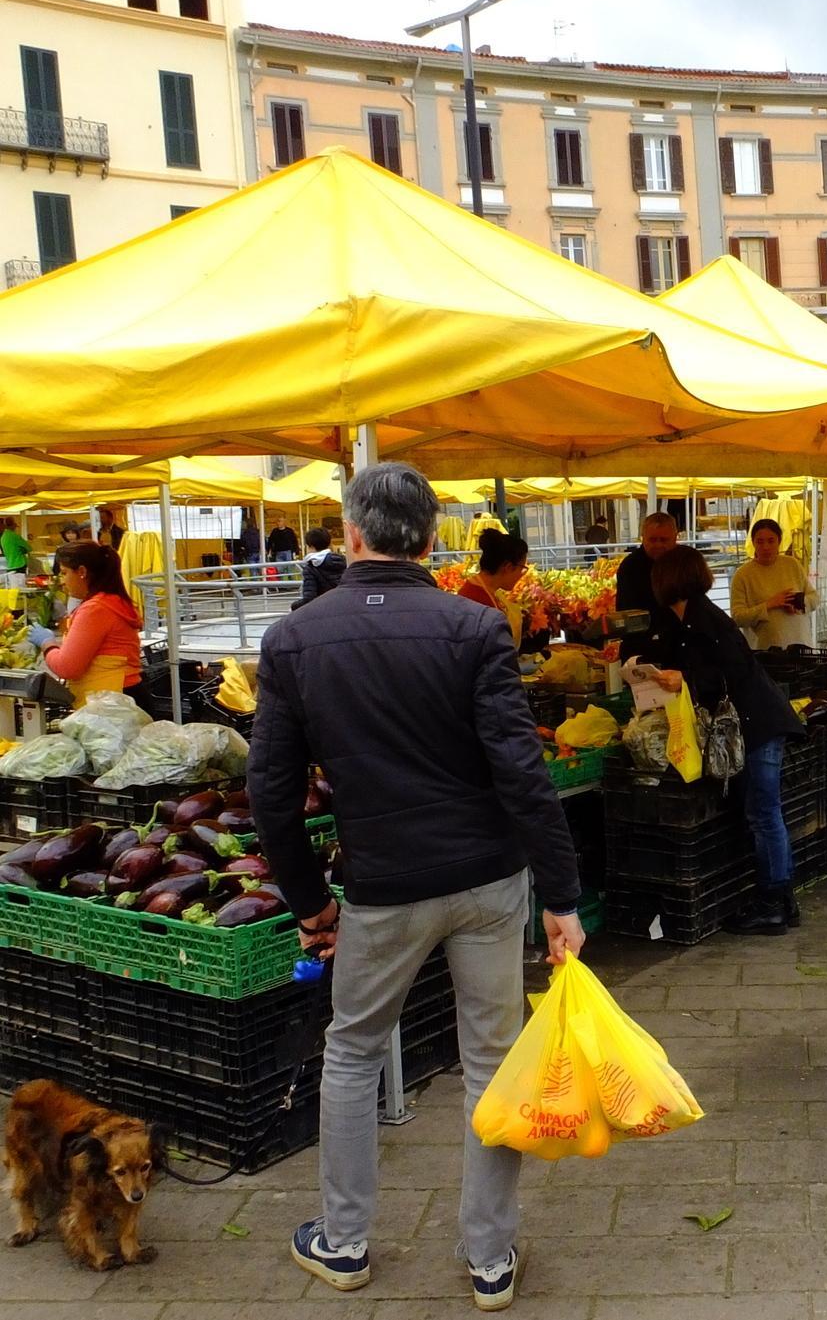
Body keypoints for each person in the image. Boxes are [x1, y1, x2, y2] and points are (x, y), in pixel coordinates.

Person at [247, 462, 583, 1307]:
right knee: (492, 1061)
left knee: (355, 1052)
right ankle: (490, 1256)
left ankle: (346, 1240)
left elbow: (269, 793)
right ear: (432, 540)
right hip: (486, 877)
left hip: (382, 882)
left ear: (351, 534)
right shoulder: (473, 629)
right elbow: (522, 771)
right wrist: (562, 894)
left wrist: (307, 901)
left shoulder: (293, 640)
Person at [647, 544, 805, 935]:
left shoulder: (705, 618)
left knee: (764, 814)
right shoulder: (685, 619)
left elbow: (733, 671)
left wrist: (684, 679)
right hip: (750, 723)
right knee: (762, 813)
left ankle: (773, 903)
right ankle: (783, 902)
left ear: (670, 579)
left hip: (759, 723)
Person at [28, 542, 148, 711]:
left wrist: (47, 643)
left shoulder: (96, 609)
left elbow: (67, 667)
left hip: (110, 703)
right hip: (124, 696)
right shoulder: (114, 601)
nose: (63, 582)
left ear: (82, 572)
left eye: (65, 573)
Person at [729, 518, 818, 649]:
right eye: (760, 541)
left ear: (779, 541)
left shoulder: (792, 564)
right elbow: (738, 617)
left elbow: (814, 598)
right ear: (753, 542)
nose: (766, 547)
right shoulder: (742, 575)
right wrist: (769, 604)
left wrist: (799, 604)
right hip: (764, 651)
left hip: (800, 645)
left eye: (771, 541)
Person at [614, 512, 678, 659]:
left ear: (675, 538)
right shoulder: (630, 567)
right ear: (643, 538)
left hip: (680, 642)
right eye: (652, 540)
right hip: (642, 645)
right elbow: (627, 612)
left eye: (664, 540)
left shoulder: (684, 562)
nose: (658, 545)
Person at [460, 529, 528, 646]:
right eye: (522, 568)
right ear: (508, 567)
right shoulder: (478, 599)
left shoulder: (483, 589)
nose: (523, 573)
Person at [296, 528, 345, 606]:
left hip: (322, 608)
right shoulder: (341, 561)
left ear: (311, 546)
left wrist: (293, 607)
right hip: (343, 605)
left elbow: (309, 598)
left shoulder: (311, 567)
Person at [1, 518, 29, 590]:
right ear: (12, 526)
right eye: (15, 526)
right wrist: (22, 550)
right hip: (20, 563)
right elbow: (28, 548)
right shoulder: (14, 536)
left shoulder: (3, 537)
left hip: (10, 565)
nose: (15, 528)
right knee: (22, 587)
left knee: (13, 587)